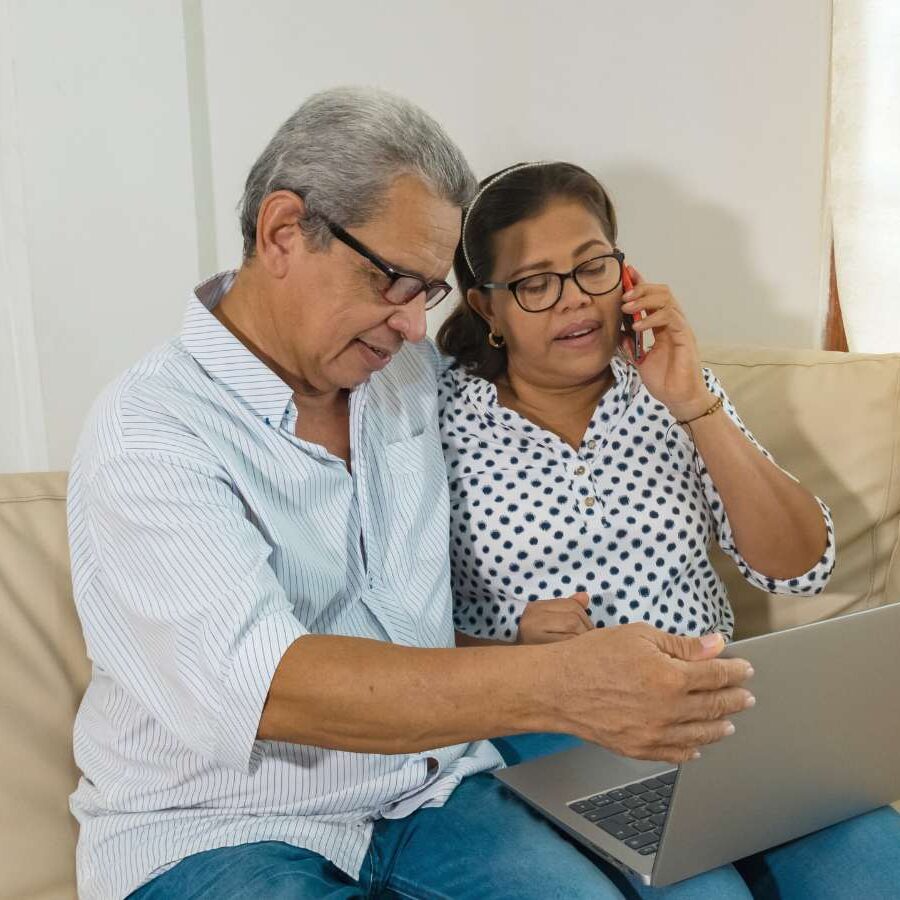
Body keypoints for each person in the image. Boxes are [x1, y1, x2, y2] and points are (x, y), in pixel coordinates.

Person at [436, 160, 900, 896]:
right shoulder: (429, 423)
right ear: (486, 307)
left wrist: (689, 400)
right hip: (559, 733)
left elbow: (799, 566)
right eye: (535, 283)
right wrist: (517, 653)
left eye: (593, 268)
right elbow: (381, 627)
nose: (574, 301)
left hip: (721, 717)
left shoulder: (673, 387)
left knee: (879, 863)